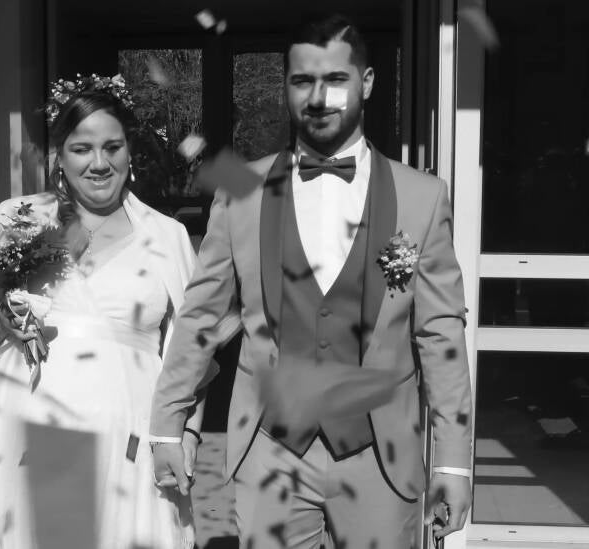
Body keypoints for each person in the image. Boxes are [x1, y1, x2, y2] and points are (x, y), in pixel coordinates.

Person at [150, 15, 473, 549]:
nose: (319, 98)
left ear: (366, 82)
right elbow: (201, 314)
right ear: (286, 87)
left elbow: (441, 336)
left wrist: (453, 462)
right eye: (303, 81)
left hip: (381, 453)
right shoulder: (239, 188)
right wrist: (168, 422)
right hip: (269, 446)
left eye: (335, 80)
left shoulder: (423, 195)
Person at [0, 80, 223, 549]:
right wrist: (2, 322)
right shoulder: (20, 219)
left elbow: (193, 352)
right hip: (44, 426)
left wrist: (185, 434)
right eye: (82, 149)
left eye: (112, 147)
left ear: (130, 152)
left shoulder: (166, 236)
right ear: (59, 156)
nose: (99, 163)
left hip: (130, 435)